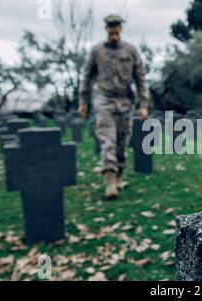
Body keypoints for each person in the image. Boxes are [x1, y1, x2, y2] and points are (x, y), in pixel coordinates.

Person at [78, 14, 150, 199]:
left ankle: (118, 176)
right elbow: (87, 77)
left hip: (125, 101)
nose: (114, 34)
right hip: (104, 100)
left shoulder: (131, 51)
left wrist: (144, 104)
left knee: (122, 140)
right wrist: (83, 102)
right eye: (111, 30)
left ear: (120, 29)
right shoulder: (97, 51)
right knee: (108, 139)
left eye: (116, 30)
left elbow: (140, 78)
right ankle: (109, 180)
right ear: (106, 29)